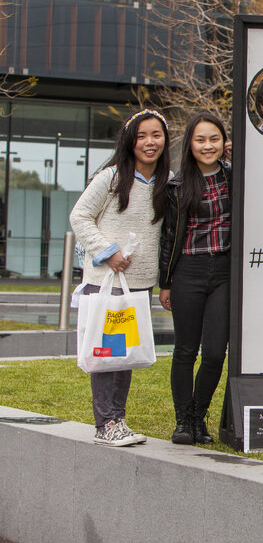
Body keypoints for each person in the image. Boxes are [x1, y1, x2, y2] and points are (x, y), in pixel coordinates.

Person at [69, 109, 171, 447]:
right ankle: (106, 423)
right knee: (107, 354)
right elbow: (80, 216)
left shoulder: (168, 181)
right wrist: (107, 250)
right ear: (130, 141)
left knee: (123, 356)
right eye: (141, 136)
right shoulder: (110, 178)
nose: (149, 142)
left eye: (156, 135)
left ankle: (118, 419)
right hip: (108, 282)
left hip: (138, 286)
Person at [158, 113, 232, 445]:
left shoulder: (234, 177)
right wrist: (166, 282)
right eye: (200, 139)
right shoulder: (176, 185)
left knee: (216, 352)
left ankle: (199, 415)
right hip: (188, 270)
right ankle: (183, 422)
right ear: (190, 143)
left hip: (225, 272)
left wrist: (236, 156)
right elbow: (168, 236)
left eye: (214, 139)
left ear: (223, 142)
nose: (207, 145)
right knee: (185, 349)